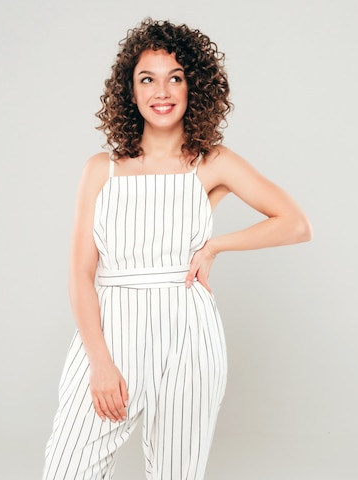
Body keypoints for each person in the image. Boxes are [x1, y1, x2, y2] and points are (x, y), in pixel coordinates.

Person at [42, 18, 312, 480]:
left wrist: (217, 247)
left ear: (194, 88)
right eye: (147, 78)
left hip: (189, 337)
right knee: (68, 468)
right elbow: (80, 274)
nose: (161, 91)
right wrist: (101, 364)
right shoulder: (100, 170)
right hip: (113, 334)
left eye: (176, 78)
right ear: (131, 90)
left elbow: (295, 223)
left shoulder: (212, 163)